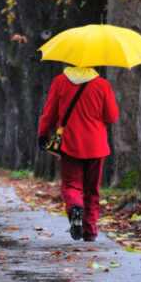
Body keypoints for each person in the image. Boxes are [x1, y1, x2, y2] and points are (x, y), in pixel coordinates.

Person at [38, 66, 118, 241]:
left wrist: (43, 134)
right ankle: (90, 230)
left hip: (70, 143)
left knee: (71, 185)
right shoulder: (103, 84)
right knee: (92, 190)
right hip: (96, 145)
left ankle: (75, 207)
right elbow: (111, 116)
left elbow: (50, 112)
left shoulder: (59, 82)